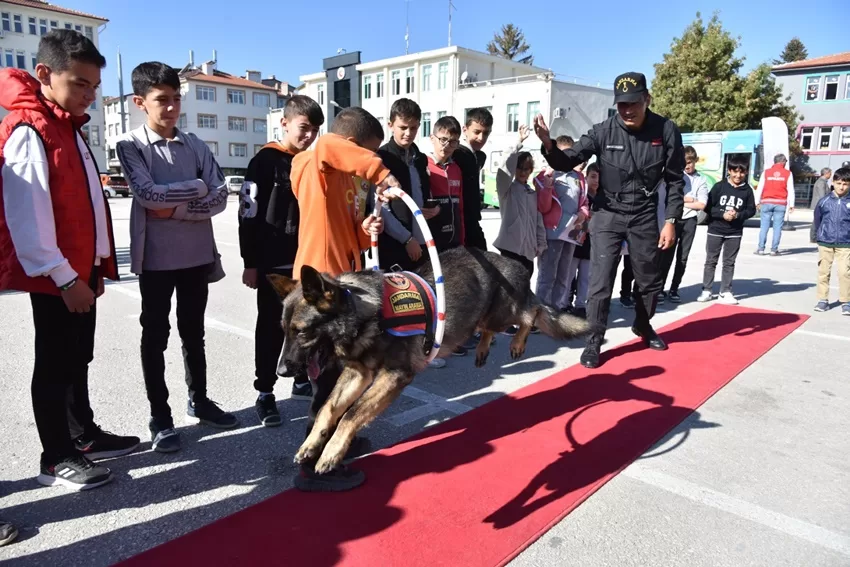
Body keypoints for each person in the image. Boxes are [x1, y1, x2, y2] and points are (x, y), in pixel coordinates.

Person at [0, 30, 140, 490]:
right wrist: (64, 278)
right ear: (45, 74)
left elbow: (85, 203)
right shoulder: (30, 129)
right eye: (80, 83)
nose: (90, 95)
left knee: (78, 356)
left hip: (82, 270)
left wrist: (96, 264)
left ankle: (83, 435)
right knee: (56, 363)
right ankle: (55, 455)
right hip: (58, 275)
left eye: (95, 86)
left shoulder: (67, 125)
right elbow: (29, 220)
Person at [116, 62, 235, 454]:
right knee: (155, 336)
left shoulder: (196, 144)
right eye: (161, 100)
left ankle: (199, 400)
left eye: (175, 99)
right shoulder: (130, 145)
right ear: (140, 102)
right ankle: (160, 417)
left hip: (197, 256)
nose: (170, 108)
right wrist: (196, 189)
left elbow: (219, 196)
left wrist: (180, 205)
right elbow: (146, 196)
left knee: (193, 333)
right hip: (156, 260)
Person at [533, 72, 685, 369]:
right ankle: (593, 340)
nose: (627, 110)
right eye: (621, 105)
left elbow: (676, 180)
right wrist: (549, 144)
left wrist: (671, 220)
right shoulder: (603, 131)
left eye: (633, 103)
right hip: (608, 213)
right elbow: (568, 159)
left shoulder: (666, 130)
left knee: (649, 281)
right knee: (600, 283)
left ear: (646, 99)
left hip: (644, 214)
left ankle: (643, 324)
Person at [290, 106, 397, 491]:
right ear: (350, 145)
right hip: (320, 287)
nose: (367, 163)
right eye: (368, 151)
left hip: (343, 286)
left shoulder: (341, 178)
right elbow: (328, 147)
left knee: (346, 370)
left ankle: (339, 441)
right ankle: (315, 464)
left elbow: (342, 227)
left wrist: (362, 227)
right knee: (329, 380)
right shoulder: (314, 160)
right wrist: (382, 173)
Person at [239, 95, 324, 427]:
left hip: (305, 260)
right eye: (304, 128)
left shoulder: (311, 162)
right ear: (284, 123)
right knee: (272, 328)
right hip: (273, 263)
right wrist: (251, 261)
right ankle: (265, 393)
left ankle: (301, 380)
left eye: (315, 130)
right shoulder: (263, 162)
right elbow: (248, 214)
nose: (308, 136)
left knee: (306, 326)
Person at [374, 98, 445, 369]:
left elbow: (416, 197)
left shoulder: (417, 156)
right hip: (395, 244)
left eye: (414, 128)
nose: (408, 133)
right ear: (390, 124)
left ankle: (418, 351)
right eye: (403, 127)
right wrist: (407, 239)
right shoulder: (381, 158)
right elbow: (381, 208)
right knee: (395, 301)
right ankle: (392, 357)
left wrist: (427, 213)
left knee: (418, 299)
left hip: (418, 242)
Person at [493, 126, 547, 335]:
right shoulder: (507, 189)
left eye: (527, 168)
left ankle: (523, 319)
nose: (523, 172)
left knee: (524, 285)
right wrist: (518, 142)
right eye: (520, 168)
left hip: (528, 248)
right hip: (510, 245)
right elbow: (503, 170)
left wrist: (540, 242)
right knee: (508, 285)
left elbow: (537, 220)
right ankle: (506, 321)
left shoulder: (531, 193)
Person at [425, 116, 470, 356]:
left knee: (452, 293)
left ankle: (448, 341)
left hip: (454, 243)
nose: (446, 146)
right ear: (432, 138)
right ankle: (431, 344)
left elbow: (460, 208)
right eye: (443, 139)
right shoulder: (424, 166)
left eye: (453, 142)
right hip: (432, 244)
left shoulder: (456, 169)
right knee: (433, 294)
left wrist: (461, 240)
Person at [535, 136, 589, 312]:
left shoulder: (579, 177)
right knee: (547, 275)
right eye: (561, 153)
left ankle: (557, 310)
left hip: (572, 233)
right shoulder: (545, 175)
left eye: (569, 154)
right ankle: (542, 313)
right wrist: (548, 187)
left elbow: (584, 202)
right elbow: (542, 207)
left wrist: (583, 213)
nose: (565, 157)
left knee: (564, 275)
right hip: (552, 234)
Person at [697, 154, 757, 305]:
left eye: (742, 172)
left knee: (729, 262)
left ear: (746, 173)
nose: (738, 175)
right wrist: (722, 214)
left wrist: (738, 215)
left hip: (734, 233)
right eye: (735, 171)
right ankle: (707, 290)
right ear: (729, 171)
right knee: (711, 261)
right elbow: (709, 207)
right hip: (715, 230)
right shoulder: (719, 186)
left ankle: (725, 291)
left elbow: (751, 210)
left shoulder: (747, 190)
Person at [659, 145, 710, 302]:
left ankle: (675, 288)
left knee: (683, 257)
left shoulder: (700, 180)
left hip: (690, 221)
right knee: (666, 255)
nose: (688, 165)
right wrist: (688, 199)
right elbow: (668, 197)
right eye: (685, 162)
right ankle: (660, 288)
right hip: (673, 219)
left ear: (695, 161)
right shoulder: (676, 176)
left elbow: (702, 204)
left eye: (690, 162)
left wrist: (683, 201)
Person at [452, 107, 493, 251]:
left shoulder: (479, 156)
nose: (481, 138)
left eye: (486, 133)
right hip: (460, 223)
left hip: (472, 220)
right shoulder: (457, 153)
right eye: (476, 132)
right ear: (465, 129)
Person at [812, 166, 850, 315]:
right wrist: (818, 236)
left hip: (846, 243)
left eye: (846, 184)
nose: (842, 187)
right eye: (839, 183)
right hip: (825, 242)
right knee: (823, 272)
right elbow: (817, 219)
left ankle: (846, 301)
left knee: (844, 272)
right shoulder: (824, 201)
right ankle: (823, 300)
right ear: (833, 182)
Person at [755, 153, 795, 256]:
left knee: (764, 227)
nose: (786, 163)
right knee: (777, 228)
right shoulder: (788, 173)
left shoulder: (766, 172)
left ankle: (760, 249)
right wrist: (792, 204)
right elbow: (790, 189)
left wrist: (757, 201)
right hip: (780, 204)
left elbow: (760, 187)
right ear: (782, 161)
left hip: (766, 202)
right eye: (785, 161)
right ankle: (774, 250)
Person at [809, 168, 832, 243]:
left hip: (819, 204)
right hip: (820, 205)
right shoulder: (821, 182)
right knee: (817, 221)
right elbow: (822, 195)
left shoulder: (822, 181)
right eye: (830, 173)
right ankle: (814, 237)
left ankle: (815, 236)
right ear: (826, 173)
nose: (831, 175)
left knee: (818, 220)